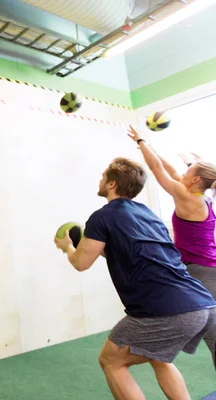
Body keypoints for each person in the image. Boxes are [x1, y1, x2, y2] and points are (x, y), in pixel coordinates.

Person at [53, 156, 216, 400]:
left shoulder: (102, 217)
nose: (100, 179)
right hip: (200, 304)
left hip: (164, 309)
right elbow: (131, 253)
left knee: (110, 361)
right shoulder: (148, 215)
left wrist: (67, 247)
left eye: (103, 176)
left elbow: (81, 263)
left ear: (111, 184)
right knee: (158, 357)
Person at [127, 125, 216, 369]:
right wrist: (148, 146)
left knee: (215, 338)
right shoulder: (199, 197)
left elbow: (156, 169)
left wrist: (142, 141)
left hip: (202, 273)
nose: (183, 173)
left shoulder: (186, 196)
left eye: (189, 171)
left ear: (196, 179)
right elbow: (170, 169)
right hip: (205, 269)